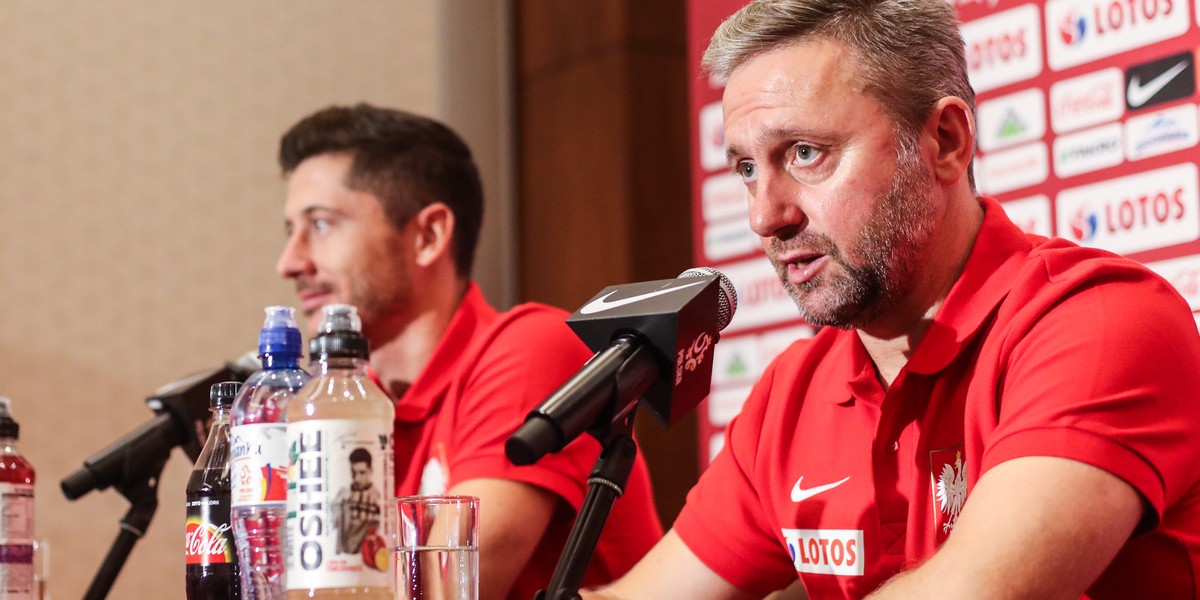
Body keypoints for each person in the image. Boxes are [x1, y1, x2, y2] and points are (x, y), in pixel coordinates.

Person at [586, 1, 1200, 598]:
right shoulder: (791, 393)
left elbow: (979, 592)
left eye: (805, 153)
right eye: (747, 168)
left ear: (946, 142)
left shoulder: (1100, 321)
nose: (764, 216)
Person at [275, 103, 664, 599]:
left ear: (428, 236)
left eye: (321, 224)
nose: (289, 262)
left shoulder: (530, 348)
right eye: (291, 231)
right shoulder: (351, 406)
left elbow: (448, 588)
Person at [333, 447, 383, 555]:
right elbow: (334, 524)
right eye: (354, 473)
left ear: (371, 471)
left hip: (365, 556)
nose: (357, 478)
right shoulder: (343, 496)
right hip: (343, 554)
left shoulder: (377, 499)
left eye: (362, 472)